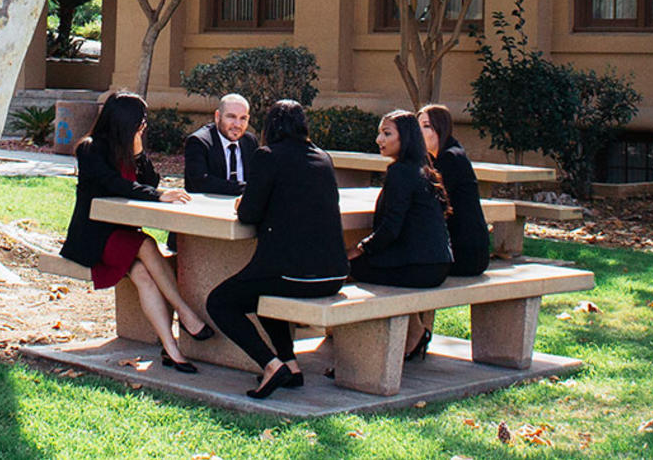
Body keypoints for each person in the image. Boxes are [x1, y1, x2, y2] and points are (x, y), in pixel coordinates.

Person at [58, 93, 215, 373]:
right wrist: (158, 196)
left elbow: (148, 181)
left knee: (143, 274)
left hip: (122, 232)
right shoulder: (90, 149)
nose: (144, 125)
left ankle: (171, 349)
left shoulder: (126, 147)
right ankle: (185, 313)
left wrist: (139, 151)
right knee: (145, 243)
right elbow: (115, 185)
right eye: (140, 121)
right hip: (95, 236)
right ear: (124, 120)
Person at [206, 100, 348, 399]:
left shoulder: (268, 156)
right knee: (265, 292)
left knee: (220, 302)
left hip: (292, 274)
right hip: (334, 274)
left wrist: (242, 203)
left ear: (270, 126)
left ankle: (270, 364)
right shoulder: (323, 157)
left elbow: (249, 214)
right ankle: (291, 365)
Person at [347, 109, 452, 362]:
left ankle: (360, 357)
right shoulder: (421, 168)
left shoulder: (401, 172)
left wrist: (361, 247)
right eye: (380, 133)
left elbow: (390, 229)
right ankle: (416, 332)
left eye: (386, 133)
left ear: (404, 137)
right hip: (437, 264)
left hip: (419, 267)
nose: (379, 140)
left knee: (348, 269)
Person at [420, 105, 490, 277]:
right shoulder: (443, 156)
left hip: (466, 255)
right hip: (460, 251)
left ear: (441, 128)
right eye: (418, 126)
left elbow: (429, 204)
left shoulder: (451, 159)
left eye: (426, 126)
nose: (419, 132)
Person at [182, 94, 260, 196]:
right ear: (218, 116)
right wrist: (247, 188)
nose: (237, 124)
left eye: (243, 118)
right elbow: (200, 183)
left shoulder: (250, 141)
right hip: (208, 206)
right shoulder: (199, 142)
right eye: (231, 117)